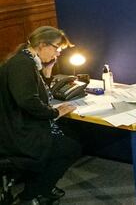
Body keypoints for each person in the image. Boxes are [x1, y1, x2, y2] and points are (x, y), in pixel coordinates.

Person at [0, 26, 82, 205]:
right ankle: (29, 196)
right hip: (18, 134)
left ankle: (41, 185)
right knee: (70, 148)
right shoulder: (22, 65)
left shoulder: (26, 61)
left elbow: (36, 93)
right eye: (57, 48)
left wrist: (47, 72)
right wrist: (54, 112)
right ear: (42, 45)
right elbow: (27, 101)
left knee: (68, 137)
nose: (58, 53)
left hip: (20, 126)